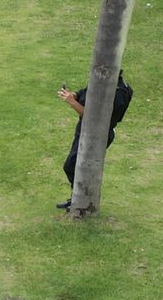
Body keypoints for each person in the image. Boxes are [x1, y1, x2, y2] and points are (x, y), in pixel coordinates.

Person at [56, 71, 132, 209]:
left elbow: (95, 118)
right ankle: (77, 199)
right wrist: (72, 95)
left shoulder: (117, 93)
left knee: (74, 166)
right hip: (84, 131)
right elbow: (82, 94)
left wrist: (72, 102)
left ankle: (83, 202)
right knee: (74, 165)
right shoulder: (101, 82)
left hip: (97, 136)